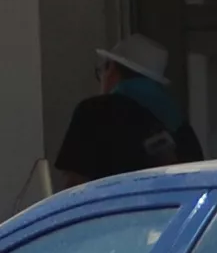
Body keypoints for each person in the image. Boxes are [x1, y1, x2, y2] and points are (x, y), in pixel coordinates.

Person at [53, 35, 202, 186]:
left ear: (111, 68)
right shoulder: (180, 127)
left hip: (111, 208)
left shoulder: (93, 112)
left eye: (101, 71)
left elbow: (74, 185)